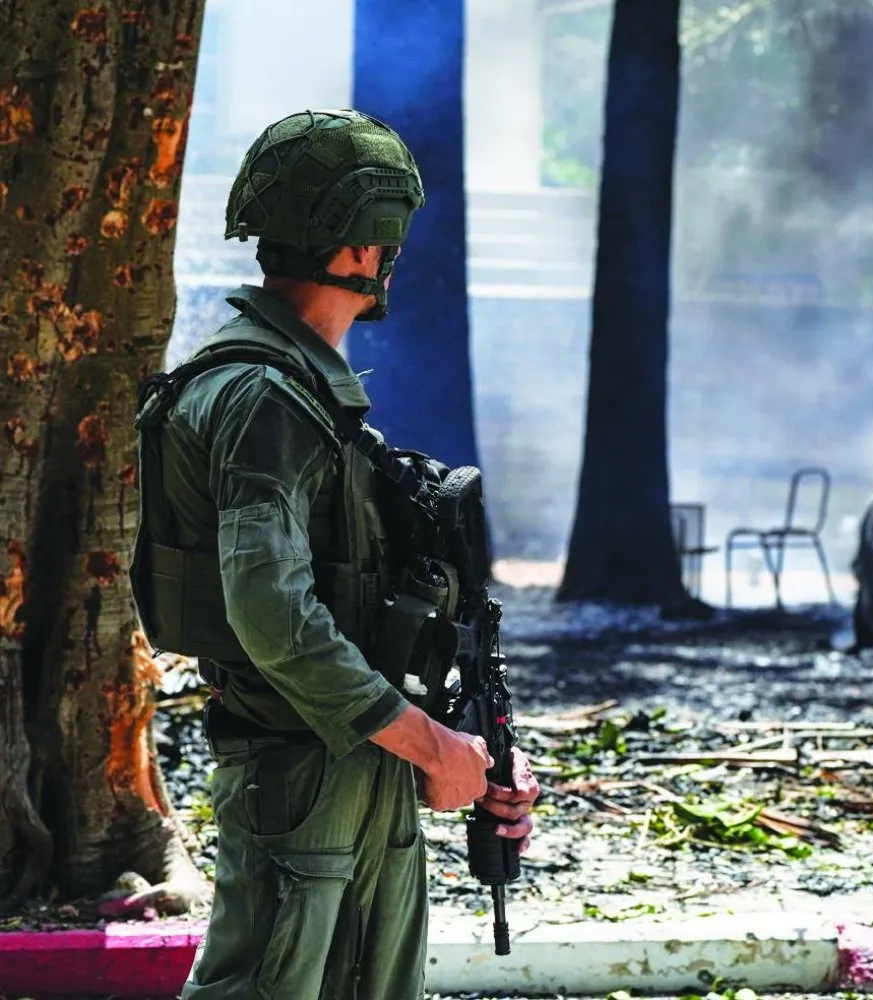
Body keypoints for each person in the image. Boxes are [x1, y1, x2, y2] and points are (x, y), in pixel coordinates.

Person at [129, 109, 538, 1000]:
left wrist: (474, 746)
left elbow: (366, 610)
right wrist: (432, 745)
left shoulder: (314, 400)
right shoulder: (266, 400)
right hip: (302, 773)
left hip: (361, 763)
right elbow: (273, 614)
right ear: (362, 251)